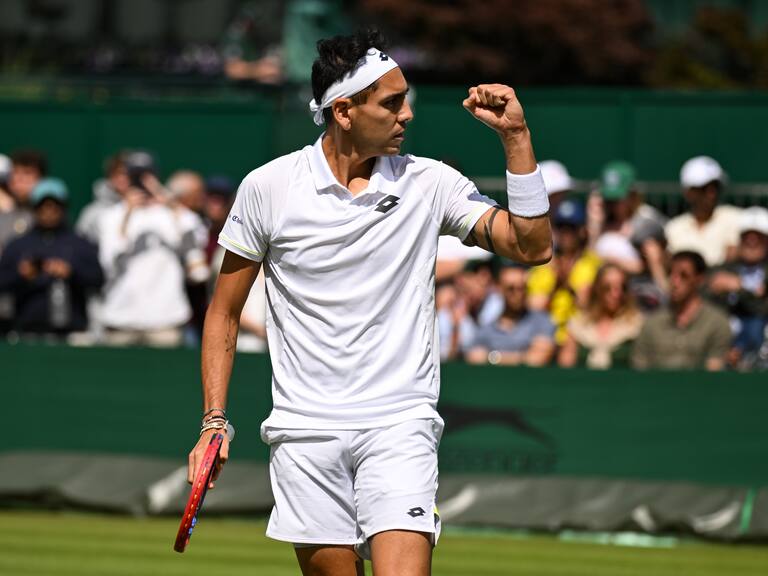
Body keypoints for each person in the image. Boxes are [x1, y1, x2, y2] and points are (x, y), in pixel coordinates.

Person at [187, 29, 552, 576]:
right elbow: (223, 313)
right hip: (303, 432)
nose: (407, 115)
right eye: (391, 102)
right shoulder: (267, 188)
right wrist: (213, 421)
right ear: (344, 111)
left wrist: (517, 138)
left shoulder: (432, 183)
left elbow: (533, 245)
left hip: (399, 424)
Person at [97, 152, 208, 347]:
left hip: (165, 318)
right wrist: (128, 213)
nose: (141, 183)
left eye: (146, 176)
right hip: (121, 318)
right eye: (135, 176)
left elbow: (196, 233)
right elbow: (109, 257)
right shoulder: (111, 215)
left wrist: (165, 197)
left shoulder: (170, 214)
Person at [0, 178, 103, 336]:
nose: (48, 212)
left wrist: (71, 272)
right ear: (34, 209)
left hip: (72, 331)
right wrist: (21, 274)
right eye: (43, 207)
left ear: (63, 208)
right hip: (27, 331)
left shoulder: (79, 244)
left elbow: (98, 279)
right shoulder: (18, 245)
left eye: (54, 207)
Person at [631, 251, 731, 371]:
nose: (675, 282)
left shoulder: (716, 323)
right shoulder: (652, 324)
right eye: (670, 274)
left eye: (684, 276)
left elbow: (715, 368)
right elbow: (639, 367)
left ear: (699, 280)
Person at [528, 198, 601, 344]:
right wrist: (556, 286)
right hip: (545, 334)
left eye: (571, 228)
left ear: (581, 231)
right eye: (562, 227)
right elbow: (534, 307)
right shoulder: (543, 265)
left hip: (583, 333)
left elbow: (588, 305)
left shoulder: (593, 264)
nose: (566, 234)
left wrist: (568, 285)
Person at [707, 206, 768, 369]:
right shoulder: (722, 269)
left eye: (759, 237)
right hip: (726, 333)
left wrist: (739, 288)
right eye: (746, 236)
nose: (752, 241)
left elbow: (762, 308)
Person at [558, 264, 644, 369]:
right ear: (597, 289)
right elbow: (566, 364)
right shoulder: (578, 323)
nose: (616, 294)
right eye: (607, 288)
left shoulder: (637, 323)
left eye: (622, 287)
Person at [466, 266, 556, 366]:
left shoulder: (541, 321)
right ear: (500, 289)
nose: (517, 294)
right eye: (511, 289)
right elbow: (474, 357)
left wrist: (492, 357)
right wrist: (523, 357)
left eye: (521, 288)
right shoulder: (486, 326)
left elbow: (537, 359)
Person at [665, 155, 742, 267]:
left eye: (715, 187)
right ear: (688, 192)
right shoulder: (674, 227)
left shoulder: (736, 218)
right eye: (703, 188)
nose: (712, 194)